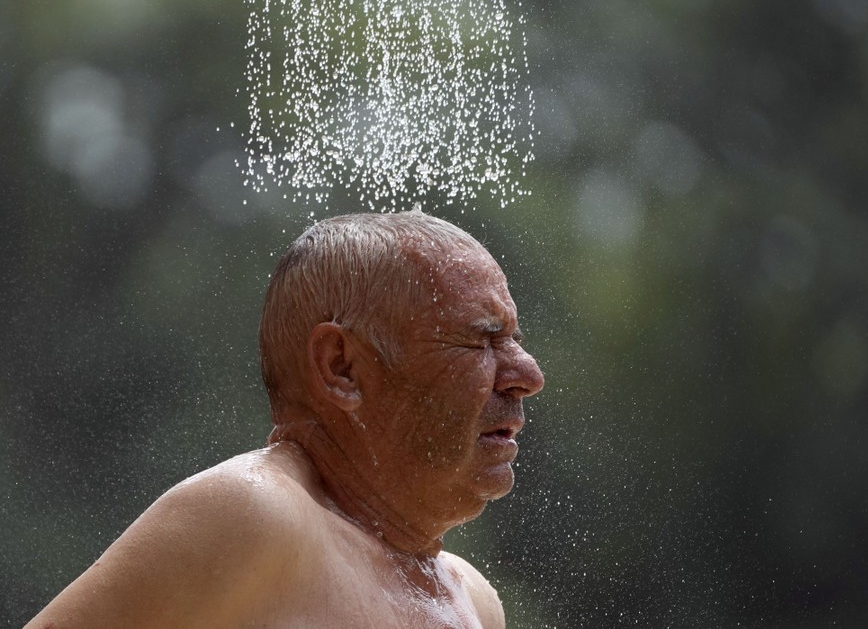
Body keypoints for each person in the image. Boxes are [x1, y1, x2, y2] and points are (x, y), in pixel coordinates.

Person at [26, 210, 544, 628]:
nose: (527, 373)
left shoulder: (473, 600)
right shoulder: (254, 516)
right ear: (342, 368)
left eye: (514, 340)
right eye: (480, 340)